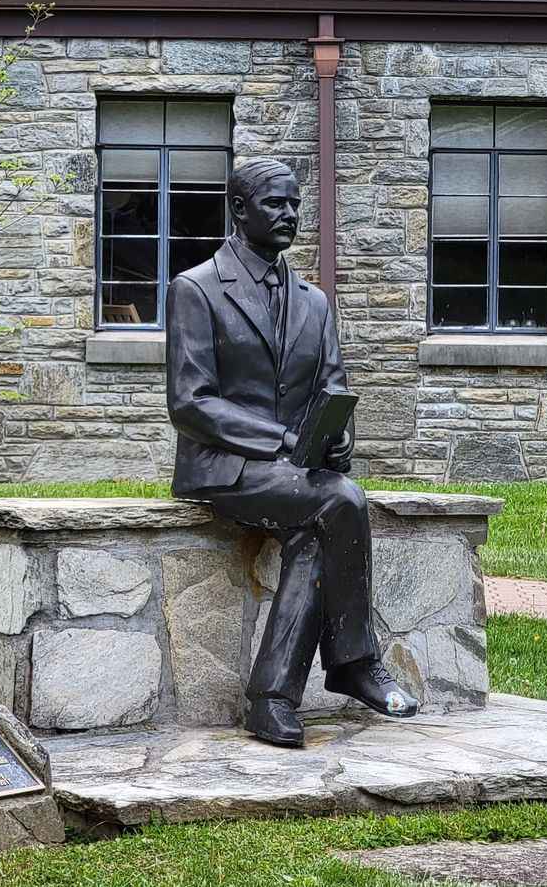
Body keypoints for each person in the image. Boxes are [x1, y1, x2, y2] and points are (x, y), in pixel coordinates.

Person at [166, 156, 418, 748]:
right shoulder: (195, 289)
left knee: (316, 532)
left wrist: (337, 435)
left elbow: (331, 383)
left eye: (295, 204)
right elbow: (190, 402)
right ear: (239, 209)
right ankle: (354, 662)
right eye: (276, 204)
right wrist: (279, 441)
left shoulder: (314, 302)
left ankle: (272, 698)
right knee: (340, 503)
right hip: (224, 468)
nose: (290, 215)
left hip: (297, 476)